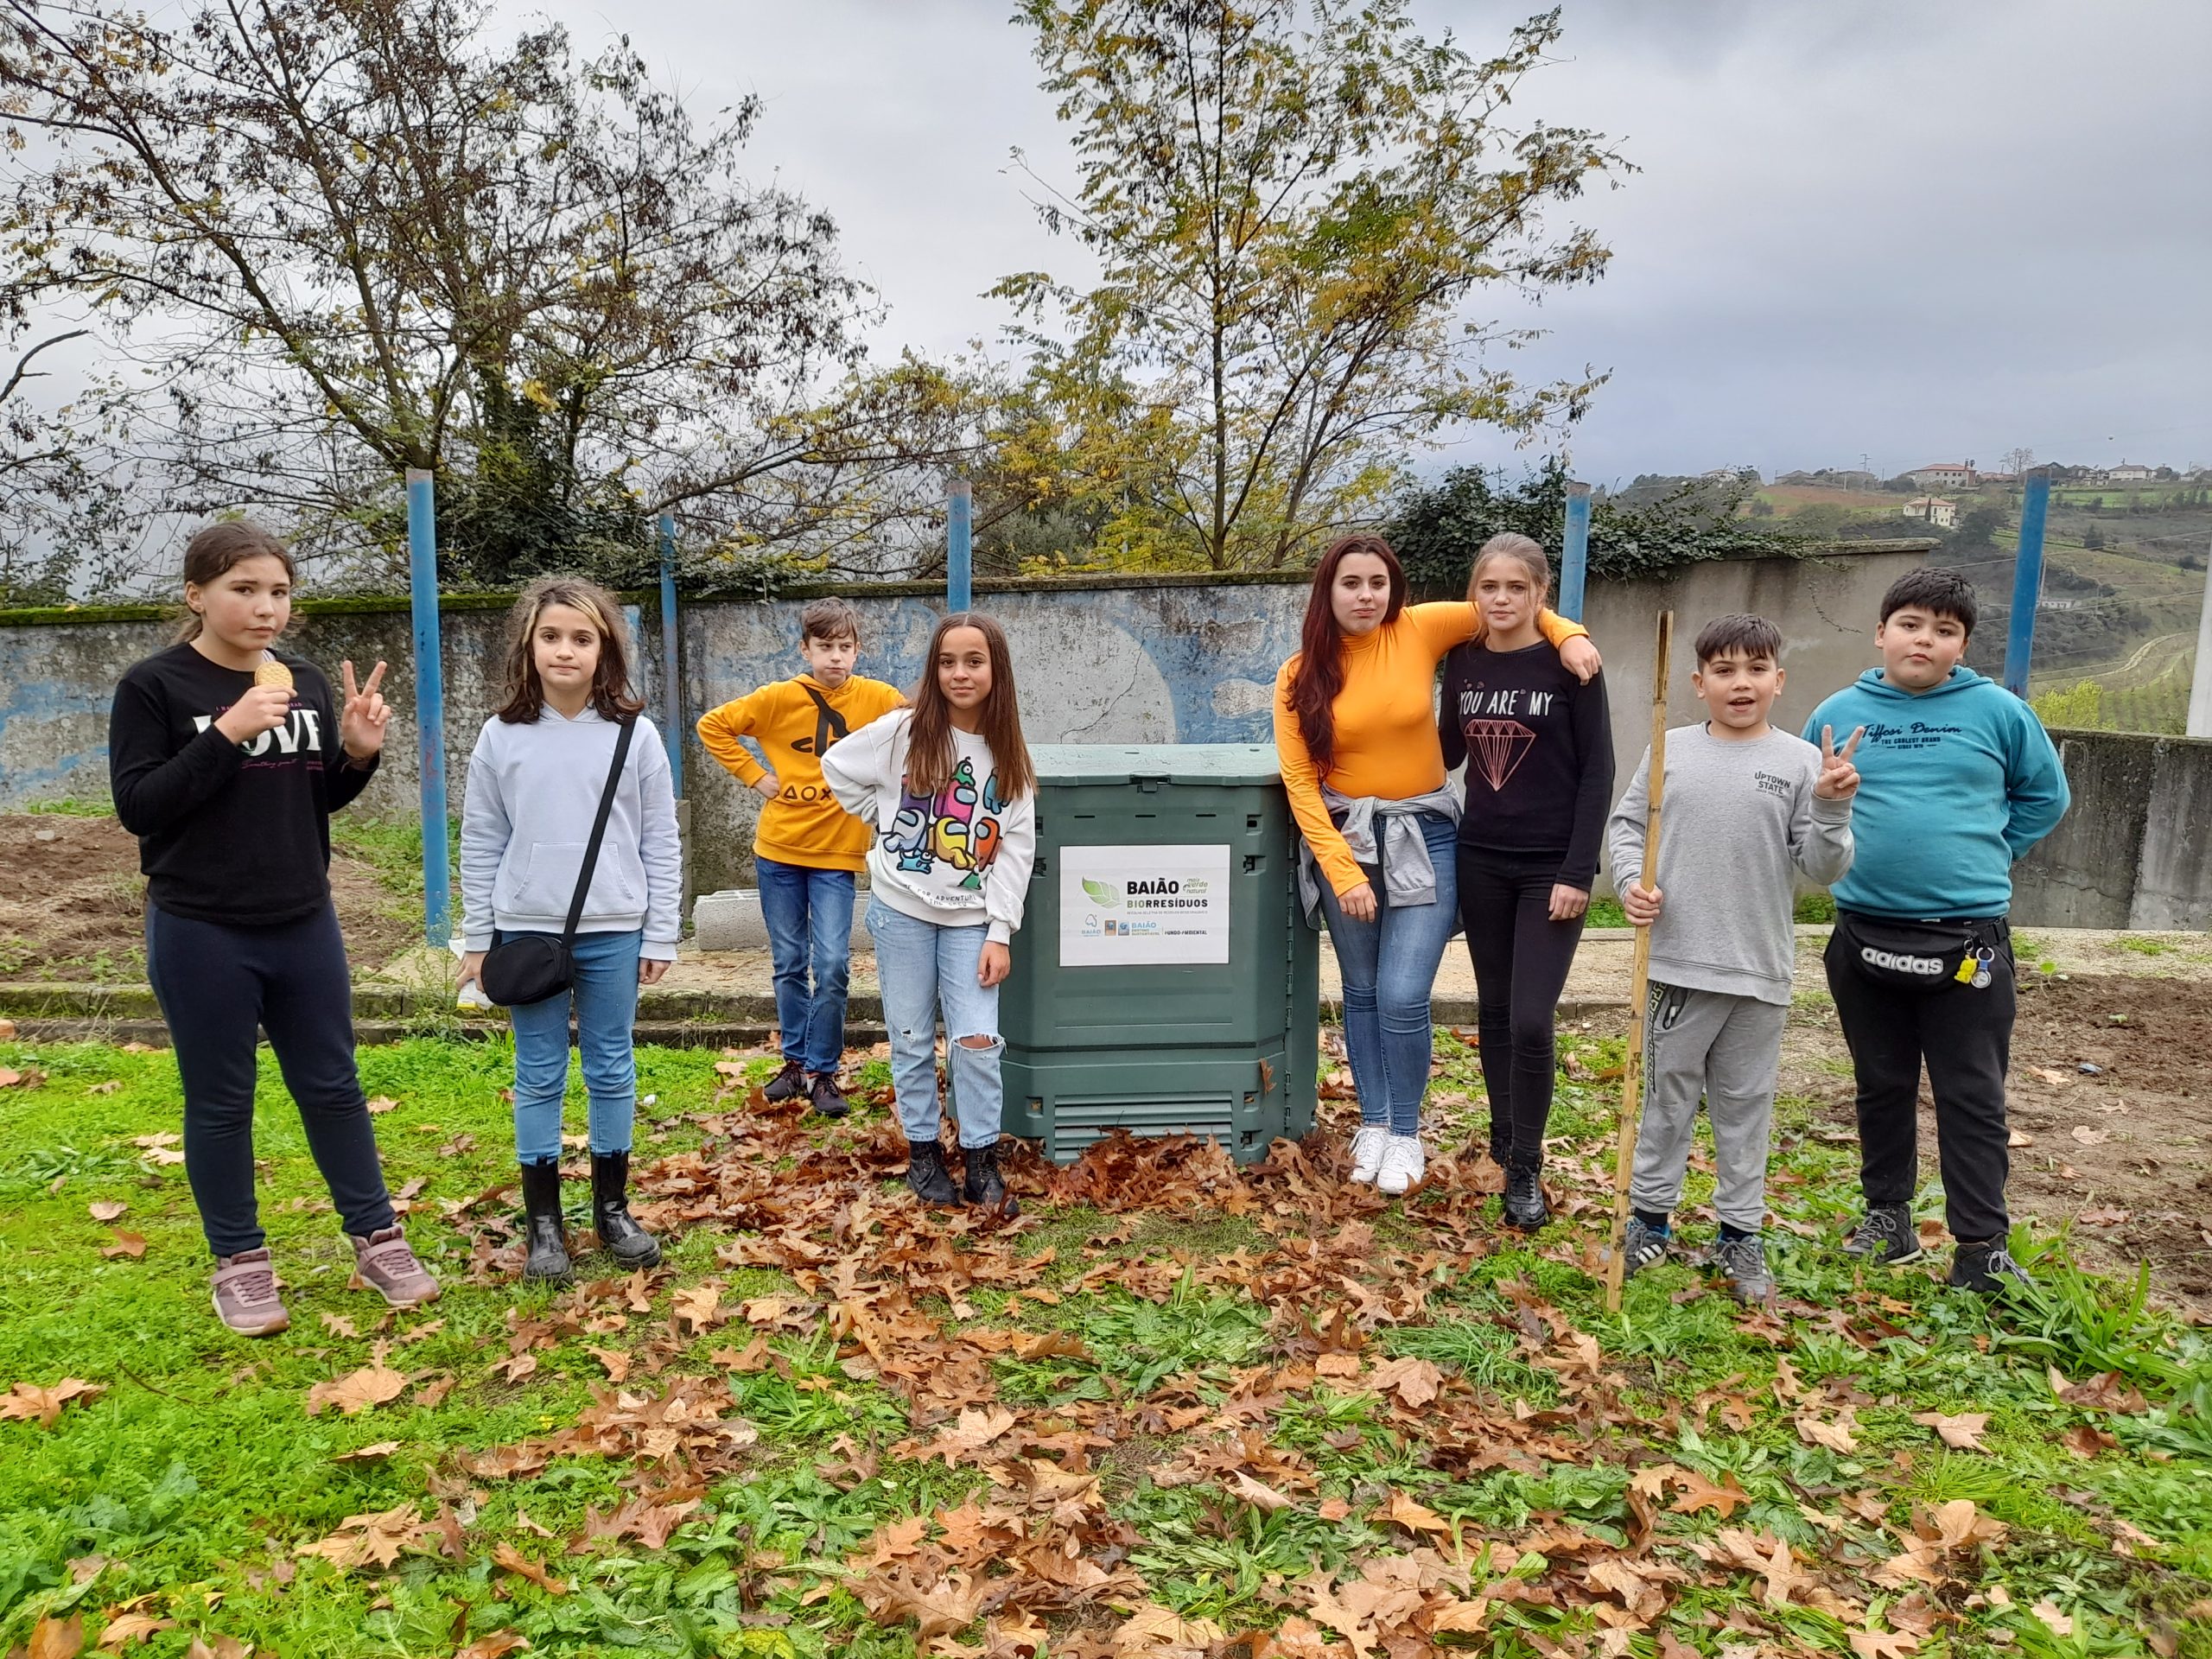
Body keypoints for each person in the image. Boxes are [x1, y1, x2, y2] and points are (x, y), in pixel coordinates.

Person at [108, 521, 437, 1337]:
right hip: (200, 927)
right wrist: (227, 732)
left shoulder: (303, 681)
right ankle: (241, 1262)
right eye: (244, 590)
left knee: (334, 1085)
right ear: (197, 596)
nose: (266, 608)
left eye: (280, 592)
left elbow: (311, 798)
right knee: (221, 1099)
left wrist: (356, 755)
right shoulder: (154, 687)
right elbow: (140, 806)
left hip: (302, 919)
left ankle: (377, 1238)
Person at [1275, 532, 1599, 1198]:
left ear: (1394, 589)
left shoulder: (1419, 629)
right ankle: (1373, 1122)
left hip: (1426, 836)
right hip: (1347, 839)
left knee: (1402, 993)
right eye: (1351, 583)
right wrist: (1341, 870)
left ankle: (1406, 1131)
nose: (1366, 596)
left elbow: (1508, 605)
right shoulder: (1298, 673)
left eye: (1378, 583)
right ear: (1327, 591)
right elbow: (1300, 781)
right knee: (1361, 990)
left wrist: (1568, 633)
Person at [1801, 569, 2069, 1294]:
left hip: (1967, 942)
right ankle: (1887, 1220)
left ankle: (1980, 1247)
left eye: (1944, 630)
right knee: (1880, 1084)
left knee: (1972, 1095)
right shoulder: (1836, 712)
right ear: (1881, 633)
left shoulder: (2000, 712)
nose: (1924, 640)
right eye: (1910, 624)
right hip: (1863, 934)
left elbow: (2046, 796)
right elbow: (1804, 802)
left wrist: (1990, 851)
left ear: (1962, 645)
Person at [1607, 613, 1859, 1300]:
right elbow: (1627, 827)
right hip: (1677, 965)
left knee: (1746, 1106)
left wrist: (1832, 810)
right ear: (1699, 683)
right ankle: (1650, 1220)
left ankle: (1740, 1233)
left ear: (1779, 680)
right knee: (1666, 1099)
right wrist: (1630, 883)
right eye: (1724, 670)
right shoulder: (1670, 748)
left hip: (1760, 969)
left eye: (1755, 669)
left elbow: (1824, 868)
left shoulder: (1802, 763)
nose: (1740, 683)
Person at [459, 577, 683, 1285]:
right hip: (527, 932)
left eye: (582, 638)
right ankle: (544, 1225)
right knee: (538, 1072)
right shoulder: (501, 736)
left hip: (615, 929)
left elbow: (659, 838)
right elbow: (481, 839)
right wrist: (477, 937)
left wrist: (661, 933)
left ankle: (612, 1209)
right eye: (551, 636)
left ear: (605, 649)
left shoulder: (635, 734)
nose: (565, 650)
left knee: (611, 1065)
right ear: (528, 646)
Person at [822, 613, 1037, 1215]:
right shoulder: (902, 731)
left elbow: (1016, 849)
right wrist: (883, 815)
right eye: (947, 662)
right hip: (902, 913)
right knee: (912, 1038)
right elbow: (837, 766)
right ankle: (923, 1152)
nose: (959, 674)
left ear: (997, 670)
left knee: (977, 1041)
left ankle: (981, 1159)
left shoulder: (1009, 754)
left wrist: (1001, 931)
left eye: (974, 661)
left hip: (972, 921)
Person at [1440, 534, 1613, 1228]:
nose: (1502, 599)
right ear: (1474, 593)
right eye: (1490, 587)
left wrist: (1578, 870)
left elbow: (1598, 770)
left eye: (1517, 588)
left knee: (1533, 1019)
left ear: (1542, 594)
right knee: (1494, 1010)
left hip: (1550, 869)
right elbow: (1446, 752)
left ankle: (1527, 1167)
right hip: (1480, 858)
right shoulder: (1463, 660)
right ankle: (1505, 1137)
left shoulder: (1574, 663)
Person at [696, 598, 906, 1117]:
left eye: (844, 647)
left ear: (857, 650)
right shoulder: (777, 698)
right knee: (789, 962)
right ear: (805, 649)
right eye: (824, 646)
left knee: (832, 964)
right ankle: (795, 1064)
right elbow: (713, 725)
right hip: (779, 851)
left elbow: (914, 735)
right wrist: (756, 776)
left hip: (838, 854)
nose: (835, 657)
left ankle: (823, 1070)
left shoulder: (879, 698)